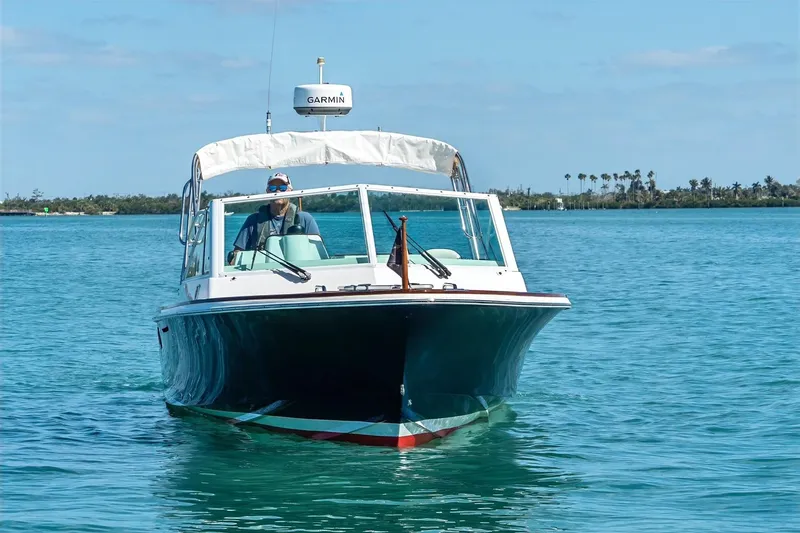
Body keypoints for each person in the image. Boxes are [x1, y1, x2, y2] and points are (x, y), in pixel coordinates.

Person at [228, 172, 320, 265]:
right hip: (262, 272)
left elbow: (318, 253)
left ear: (290, 191)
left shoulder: (305, 219)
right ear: (267, 191)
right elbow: (237, 255)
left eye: (282, 188)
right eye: (273, 188)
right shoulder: (253, 220)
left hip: (297, 273)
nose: (277, 192)